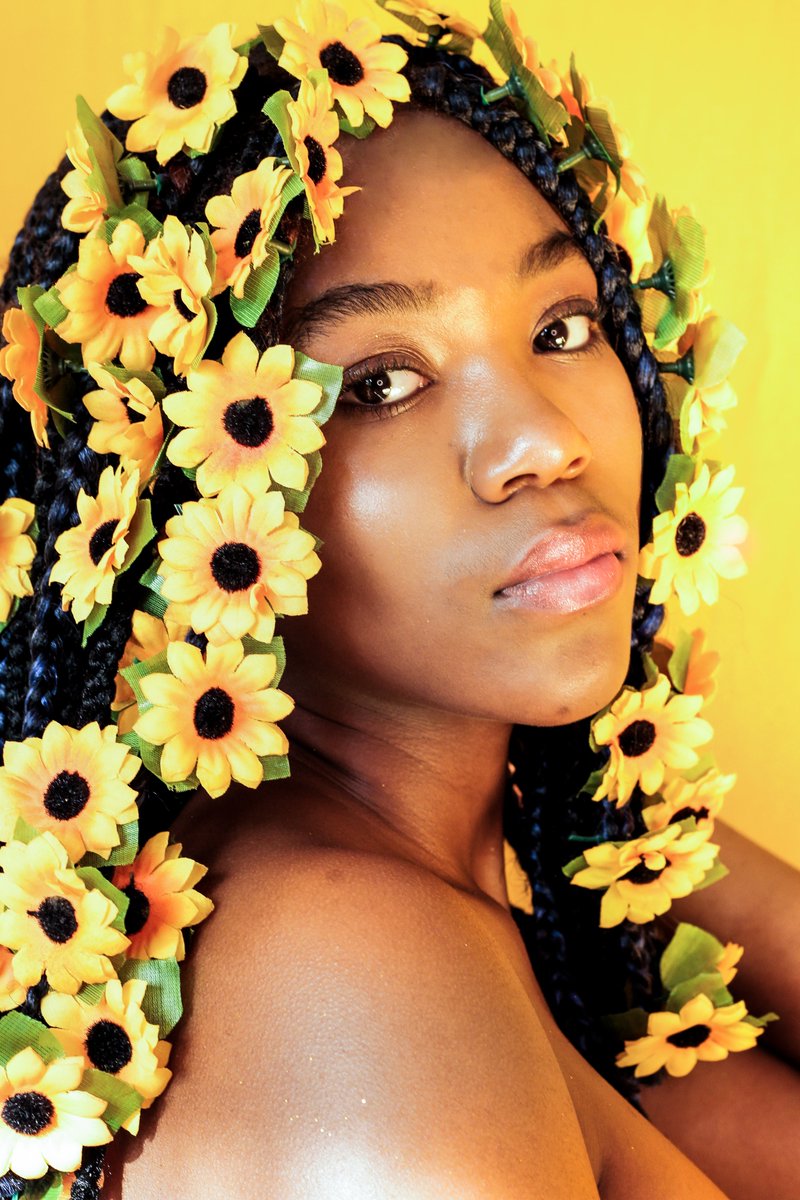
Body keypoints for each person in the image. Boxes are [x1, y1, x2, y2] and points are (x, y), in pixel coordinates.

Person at [0, 3, 797, 1197]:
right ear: (193, 503)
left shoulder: (511, 926)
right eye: (378, 383)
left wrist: (630, 814)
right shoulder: (355, 972)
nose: (540, 440)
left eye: (563, 326)